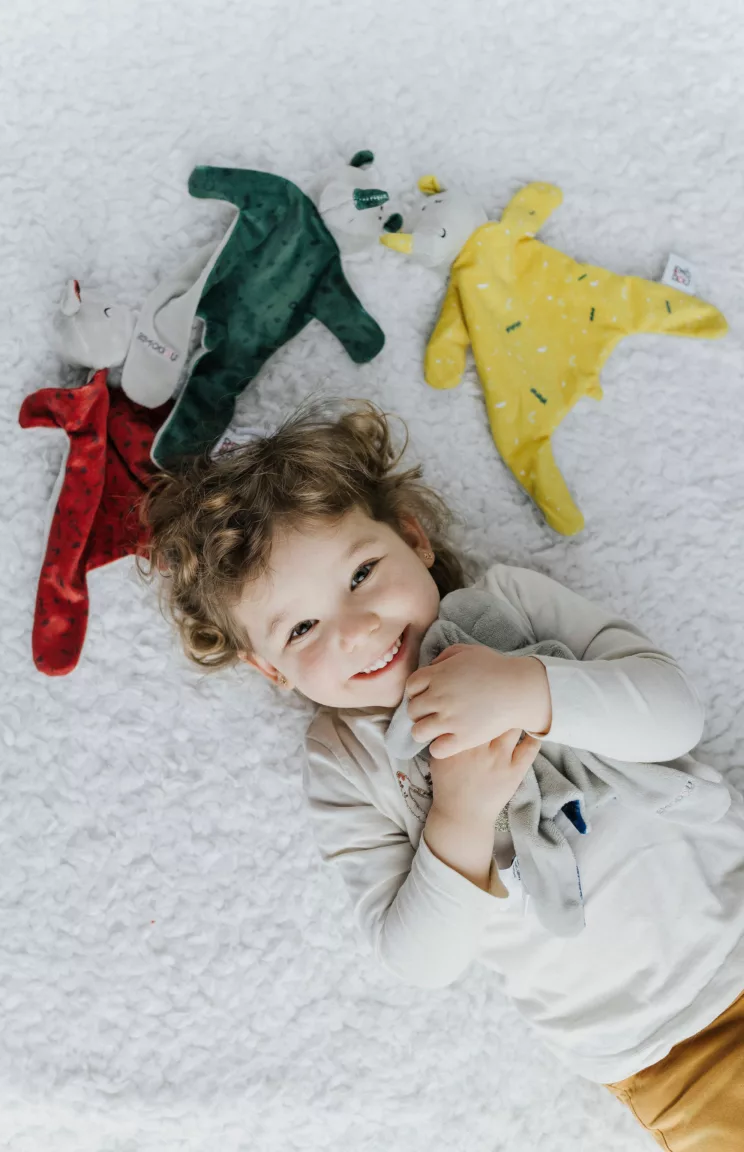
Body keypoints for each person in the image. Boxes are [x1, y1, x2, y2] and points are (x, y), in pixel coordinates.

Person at [142, 401, 744, 1151]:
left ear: (413, 538)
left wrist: (527, 688)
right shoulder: (345, 762)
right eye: (301, 629)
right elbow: (420, 958)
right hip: (658, 1048)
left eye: (362, 573)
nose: (357, 628)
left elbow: (674, 715)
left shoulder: (512, 604)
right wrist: (459, 815)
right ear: (272, 670)